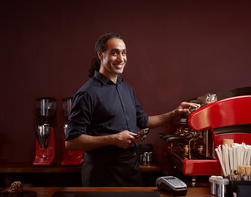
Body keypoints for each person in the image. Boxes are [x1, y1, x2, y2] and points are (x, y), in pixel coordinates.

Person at [65, 33, 200, 187]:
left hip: (130, 169)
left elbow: (145, 121)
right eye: (114, 53)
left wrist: (175, 113)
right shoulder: (87, 93)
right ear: (101, 55)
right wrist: (113, 139)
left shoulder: (126, 89)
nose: (121, 59)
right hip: (101, 173)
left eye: (124, 53)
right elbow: (72, 142)